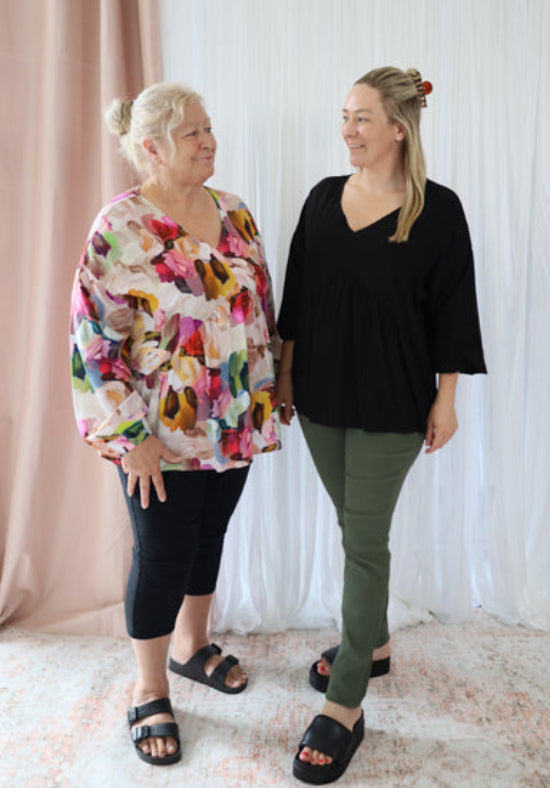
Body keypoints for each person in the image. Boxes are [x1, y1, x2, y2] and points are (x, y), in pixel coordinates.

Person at [277, 66, 486, 784]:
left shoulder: (438, 210)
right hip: (319, 401)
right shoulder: (322, 197)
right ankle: (377, 643)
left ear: (399, 127)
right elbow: (297, 295)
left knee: (364, 543)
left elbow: (453, 314)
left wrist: (446, 398)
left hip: (394, 404)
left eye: (362, 117)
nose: (348, 129)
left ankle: (344, 707)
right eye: (344, 115)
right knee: (353, 530)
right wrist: (284, 372)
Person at [69, 82, 281, 766]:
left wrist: (272, 394)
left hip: (235, 421)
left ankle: (192, 647)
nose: (209, 139)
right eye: (193, 132)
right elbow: (94, 340)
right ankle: (148, 684)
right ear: (152, 146)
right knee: (161, 553)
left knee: (209, 534)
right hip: (159, 434)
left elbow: (260, 310)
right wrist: (133, 438)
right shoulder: (120, 225)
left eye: (209, 127)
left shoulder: (236, 212)